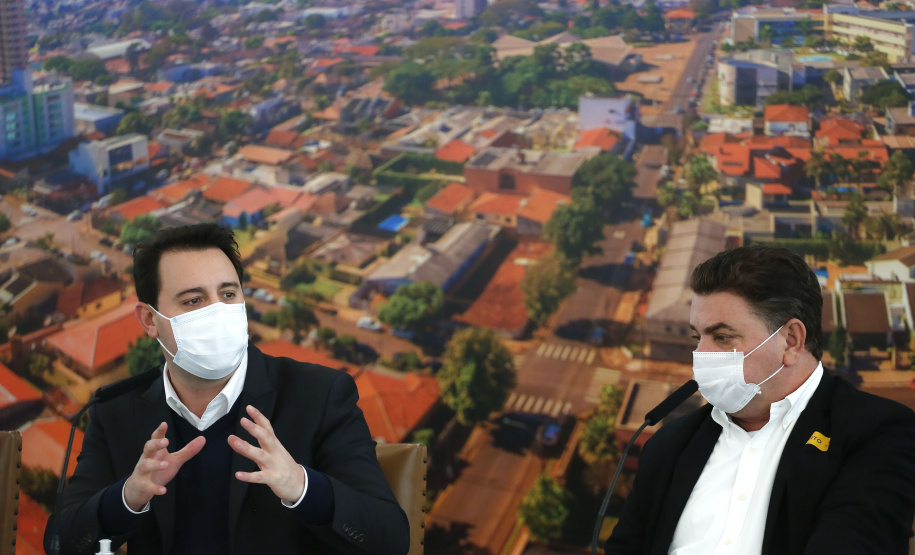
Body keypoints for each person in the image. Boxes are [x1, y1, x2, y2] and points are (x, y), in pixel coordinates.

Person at [45, 223, 410, 555]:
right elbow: (61, 543)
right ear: (150, 320)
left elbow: (390, 539)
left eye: (228, 294)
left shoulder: (320, 394)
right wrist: (128, 497)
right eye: (194, 300)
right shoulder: (116, 410)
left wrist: (301, 486)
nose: (218, 312)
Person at [607, 245, 915, 554]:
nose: (701, 355)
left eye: (722, 337)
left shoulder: (881, 433)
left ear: (791, 341)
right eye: (696, 338)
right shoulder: (669, 445)